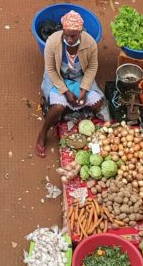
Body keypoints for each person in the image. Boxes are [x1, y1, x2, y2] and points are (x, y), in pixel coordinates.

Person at [35, 11, 104, 157]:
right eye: (66, 35)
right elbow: (51, 70)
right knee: (58, 107)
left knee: (98, 104)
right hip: (57, 77)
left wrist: (84, 91)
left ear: (80, 32)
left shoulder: (90, 43)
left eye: (73, 36)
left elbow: (91, 68)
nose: (69, 39)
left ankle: (80, 120)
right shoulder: (52, 42)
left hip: (79, 77)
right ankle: (43, 134)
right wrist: (65, 91)